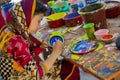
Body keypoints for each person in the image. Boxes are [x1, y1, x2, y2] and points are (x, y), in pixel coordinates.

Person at [0, 0, 63, 80]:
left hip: (9, 74)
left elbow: (19, 53)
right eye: (38, 21)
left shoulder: (11, 30)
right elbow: (36, 74)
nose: (39, 26)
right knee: (62, 66)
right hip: (20, 77)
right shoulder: (17, 41)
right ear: (26, 18)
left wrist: (37, 45)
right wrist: (55, 53)